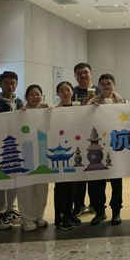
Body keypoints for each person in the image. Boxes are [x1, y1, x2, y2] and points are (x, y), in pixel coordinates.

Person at [88, 73, 125, 226]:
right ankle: (99, 211)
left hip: (116, 147)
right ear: (99, 86)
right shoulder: (92, 102)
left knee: (116, 182)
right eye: (102, 83)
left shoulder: (123, 102)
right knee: (97, 182)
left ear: (114, 85)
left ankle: (116, 211)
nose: (105, 86)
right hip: (98, 148)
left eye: (108, 83)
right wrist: (91, 110)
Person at [0, 70, 24, 231]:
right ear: (0, 84)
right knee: (0, 179)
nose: (10, 86)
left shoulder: (19, 102)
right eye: (6, 83)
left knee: (14, 178)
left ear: (16, 84)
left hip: (16, 145)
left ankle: (11, 209)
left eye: (13, 83)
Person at [16, 84, 49, 231]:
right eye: (32, 94)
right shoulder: (20, 113)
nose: (35, 97)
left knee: (42, 186)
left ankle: (38, 215)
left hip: (42, 153)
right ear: (26, 97)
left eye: (38, 94)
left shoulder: (47, 111)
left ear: (42, 96)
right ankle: (26, 219)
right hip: (25, 152)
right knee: (25, 187)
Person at [71, 62, 99, 217]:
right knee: (79, 173)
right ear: (75, 76)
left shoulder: (100, 90)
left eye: (85, 72)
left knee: (95, 172)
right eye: (79, 73)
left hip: (97, 137)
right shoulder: (72, 92)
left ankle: (95, 204)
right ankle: (78, 205)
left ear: (91, 73)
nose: (83, 75)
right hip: (77, 138)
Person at [54, 81, 82, 230]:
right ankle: (60, 218)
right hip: (60, 153)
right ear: (57, 94)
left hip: (75, 151)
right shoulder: (54, 111)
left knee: (72, 185)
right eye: (62, 90)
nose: (65, 93)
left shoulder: (78, 108)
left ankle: (69, 213)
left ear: (72, 91)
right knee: (61, 186)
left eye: (68, 90)